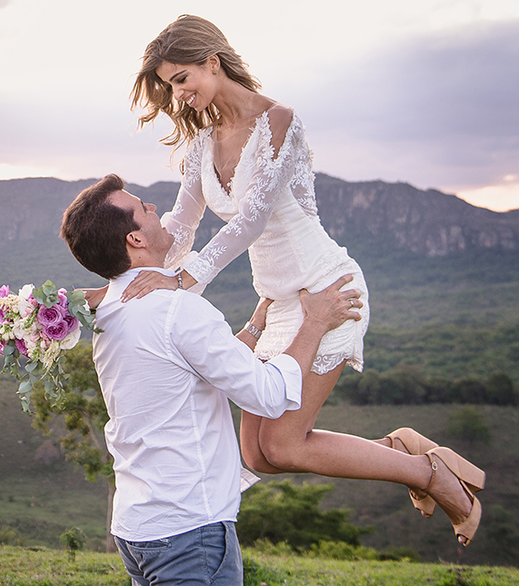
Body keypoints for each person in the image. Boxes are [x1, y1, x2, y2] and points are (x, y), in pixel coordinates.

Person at [119, 14, 483, 547]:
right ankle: (400, 449)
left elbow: (252, 221)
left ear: (211, 62)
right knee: (257, 454)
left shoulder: (278, 121)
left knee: (286, 445)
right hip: (277, 303)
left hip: (326, 291)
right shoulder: (202, 140)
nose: (178, 95)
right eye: (170, 86)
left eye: (181, 79)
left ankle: (433, 476)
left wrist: (184, 281)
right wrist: (133, 274)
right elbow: (184, 220)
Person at [60, 173, 362, 586]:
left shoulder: (110, 313)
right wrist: (315, 324)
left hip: (137, 528)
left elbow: (188, 379)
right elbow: (271, 396)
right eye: (143, 208)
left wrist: (256, 326)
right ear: (135, 240)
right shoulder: (176, 310)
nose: (154, 209)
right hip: (188, 534)